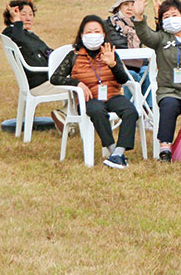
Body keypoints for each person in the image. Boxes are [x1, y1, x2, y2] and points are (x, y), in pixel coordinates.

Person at [50, 15, 138, 169]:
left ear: (103, 34)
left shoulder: (110, 51)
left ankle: (118, 152)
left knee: (130, 111)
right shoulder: (74, 55)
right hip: (89, 99)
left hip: (112, 95)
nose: (93, 35)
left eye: (97, 31)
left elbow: (123, 79)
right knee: (97, 111)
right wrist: (77, 83)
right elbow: (55, 77)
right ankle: (113, 153)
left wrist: (113, 64)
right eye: (89, 32)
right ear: (82, 35)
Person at [131, 0, 181, 163]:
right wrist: (139, 16)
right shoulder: (161, 39)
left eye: (174, 15)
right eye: (166, 16)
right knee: (169, 105)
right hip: (170, 90)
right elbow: (145, 35)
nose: (171, 19)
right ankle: (165, 148)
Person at [3, 0, 56, 96]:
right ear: (12, 18)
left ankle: (66, 111)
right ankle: (69, 111)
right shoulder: (10, 33)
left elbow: (47, 51)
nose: (28, 18)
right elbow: (17, 39)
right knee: (82, 84)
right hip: (41, 83)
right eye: (23, 14)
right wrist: (17, 21)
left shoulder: (26, 34)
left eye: (31, 15)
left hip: (48, 77)